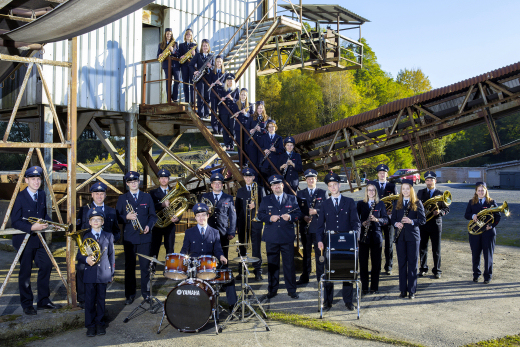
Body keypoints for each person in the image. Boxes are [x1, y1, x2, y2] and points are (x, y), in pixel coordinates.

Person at [11, 166, 62, 315]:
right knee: (25, 273)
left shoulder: (41, 194)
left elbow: (43, 214)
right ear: (26, 180)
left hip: (39, 241)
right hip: (24, 240)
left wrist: (53, 224)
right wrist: (32, 227)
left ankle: (43, 301)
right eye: (32, 179)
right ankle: (27, 304)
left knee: (46, 265)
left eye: (38, 179)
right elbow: (15, 221)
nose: (36, 182)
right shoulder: (20, 197)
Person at [316, 172, 360, 311]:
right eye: (330, 185)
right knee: (329, 272)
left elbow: (355, 222)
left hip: (346, 242)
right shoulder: (324, 204)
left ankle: (348, 301)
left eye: (335, 184)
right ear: (328, 188)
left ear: (339, 185)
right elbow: (319, 225)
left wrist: (355, 237)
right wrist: (319, 241)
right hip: (329, 243)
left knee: (347, 270)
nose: (333, 187)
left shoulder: (349, 202)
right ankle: (328, 302)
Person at [181, 203, 237, 309]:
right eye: (198, 215)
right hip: (194, 268)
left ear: (207, 216)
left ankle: (233, 306)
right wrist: (183, 258)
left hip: (210, 266)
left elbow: (218, 249)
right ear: (195, 217)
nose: (201, 218)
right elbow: (184, 250)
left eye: (203, 215)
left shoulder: (215, 232)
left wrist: (221, 256)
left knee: (229, 276)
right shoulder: (189, 232)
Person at [116, 171, 158, 305]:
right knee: (129, 267)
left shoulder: (147, 197)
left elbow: (153, 216)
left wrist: (149, 226)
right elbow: (117, 217)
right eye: (130, 182)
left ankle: (146, 294)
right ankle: (129, 294)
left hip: (145, 238)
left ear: (138, 182)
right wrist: (126, 217)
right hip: (129, 239)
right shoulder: (123, 198)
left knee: (145, 267)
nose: (133, 184)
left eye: (135, 181)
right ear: (127, 184)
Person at [76, 181, 120, 308]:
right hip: (88, 249)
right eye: (96, 193)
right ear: (92, 195)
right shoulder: (84, 210)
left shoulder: (111, 211)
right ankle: (83, 299)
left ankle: (99, 300)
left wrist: (111, 241)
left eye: (102, 194)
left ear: (105, 195)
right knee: (81, 269)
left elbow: (117, 231)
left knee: (102, 274)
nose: (99, 196)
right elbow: (79, 229)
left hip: (105, 250)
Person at [257, 174, 302, 299]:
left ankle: (291, 290)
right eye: (274, 185)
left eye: (278, 184)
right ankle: (272, 289)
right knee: (272, 265)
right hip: (271, 237)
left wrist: (291, 217)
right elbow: (260, 215)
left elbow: (299, 213)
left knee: (289, 265)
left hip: (286, 237)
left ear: (282, 185)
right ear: (271, 187)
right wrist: (269, 218)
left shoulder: (292, 198)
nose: (277, 186)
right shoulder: (266, 200)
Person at [77, 207, 115, 337]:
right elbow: (79, 256)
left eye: (99, 219)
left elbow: (111, 255)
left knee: (101, 300)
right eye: (93, 220)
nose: (96, 222)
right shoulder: (86, 236)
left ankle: (100, 324)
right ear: (89, 222)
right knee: (89, 301)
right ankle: (90, 326)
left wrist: (112, 273)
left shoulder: (108, 236)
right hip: (90, 273)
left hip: (104, 273)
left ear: (103, 222)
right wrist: (86, 259)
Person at [391, 179, 426, 299]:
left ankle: (412, 291)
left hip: (413, 238)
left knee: (412, 264)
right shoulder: (397, 203)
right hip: (400, 237)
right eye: (403, 188)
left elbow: (423, 220)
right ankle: (402, 290)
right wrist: (396, 224)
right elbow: (393, 219)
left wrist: (411, 221)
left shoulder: (417, 202)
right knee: (401, 264)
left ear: (411, 190)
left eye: (407, 188)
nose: (405, 191)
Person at [296, 169, 328, 285]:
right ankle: (305, 277)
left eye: (313, 178)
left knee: (320, 254)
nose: (311, 180)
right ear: (306, 180)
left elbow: (328, 210)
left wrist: (317, 211)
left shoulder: (322, 193)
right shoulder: (300, 194)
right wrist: (303, 217)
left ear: (316, 179)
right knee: (306, 254)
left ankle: (321, 277)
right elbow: (297, 210)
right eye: (308, 178)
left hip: (319, 229)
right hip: (306, 228)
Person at [464, 182, 501, 284]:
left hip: (488, 233)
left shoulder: (492, 202)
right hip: (475, 233)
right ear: (476, 191)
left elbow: (498, 217)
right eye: (479, 190)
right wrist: (472, 216)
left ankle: (487, 276)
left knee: (488, 255)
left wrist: (492, 226)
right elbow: (466, 215)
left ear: (486, 191)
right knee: (475, 254)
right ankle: (476, 275)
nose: (481, 192)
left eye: (482, 190)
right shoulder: (471, 202)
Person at [357, 181, 388, 295]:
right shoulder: (360, 204)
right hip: (364, 238)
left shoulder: (380, 204)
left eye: (373, 190)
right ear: (366, 192)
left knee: (376, 264)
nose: (371, 192)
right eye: (369, 190)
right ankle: (364, 287)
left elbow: (386, 220)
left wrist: (377, 220)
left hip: (376, 237)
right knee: (363, 264)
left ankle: (374, 287)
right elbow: (355, 220)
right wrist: (362, 223)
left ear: (376, 192)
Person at [417, 171, 449, 279]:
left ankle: (437, 270)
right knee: (422, 248)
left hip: (436, 224)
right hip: (423, 224)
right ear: (425, 181)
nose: (429, 182)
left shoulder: (441, 193)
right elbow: (416, 207)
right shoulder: (420, 193)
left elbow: (446, 209)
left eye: (431, 180)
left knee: (436, 249)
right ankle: (423, 268)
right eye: (427, 180)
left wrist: (440, 212)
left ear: (435, 181)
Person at [234, 168, 264, 280]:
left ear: (253, 178)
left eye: (250, 177)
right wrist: (236, 224)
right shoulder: (240, 191)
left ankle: (258, 271)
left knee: (256, 248)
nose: (247, 178)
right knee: (242, 247)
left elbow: (265, 207)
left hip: (255, 223)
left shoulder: (260, 189)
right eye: (246, 177)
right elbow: (237, 209)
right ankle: (241, 271)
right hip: (243, 223)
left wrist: (256, 206)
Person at [200, 172, 237, 262]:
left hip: (223, 232)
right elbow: (198, 214)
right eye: (215, 183)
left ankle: (223, 274)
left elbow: (233, 216)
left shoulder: (229, 198)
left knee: (223, 255)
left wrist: (231, 231)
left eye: (219, 183)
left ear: (222, 185)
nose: (217, 185)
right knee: (208, 255)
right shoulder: (204, 197)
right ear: (211, 185)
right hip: (207, 230)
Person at [149, 169, 179, 259]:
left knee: (170, 249)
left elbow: (179, 207)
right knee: (154, 248)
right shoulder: (152, 193)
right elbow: (150, 207)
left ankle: (169, 269)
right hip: (157, 225)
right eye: (161, 178)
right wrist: (161, 205)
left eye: (165, 178)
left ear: (168, 179)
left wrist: (177, 218)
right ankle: (152, 269)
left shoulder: (175, 192)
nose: (163, 180)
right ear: (158, 179)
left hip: (169, 224)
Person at [375, 164, 398, 275]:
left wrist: (392, 211)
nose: (382, 174)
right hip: (377, 219)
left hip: (388, 219)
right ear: (378, 174)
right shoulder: (373, 185)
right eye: (380, 173)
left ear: (387, 174)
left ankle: (388, 266)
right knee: (377, 243)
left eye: (384, 173)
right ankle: (377, 266)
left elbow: (397, 202)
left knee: (389, 244)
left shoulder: (392, 186)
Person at [189, 38, 213, 119]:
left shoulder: (211, 56)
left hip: (208, 78)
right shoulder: (198, 55)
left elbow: (215, 69)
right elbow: (190, 65)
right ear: (201, 47)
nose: (205, 47)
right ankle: (200, 114)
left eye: (206, 46)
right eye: (203, 46)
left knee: (207, 96)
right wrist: (194, 72)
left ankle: (206, 114)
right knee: (200, 96)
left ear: (208, 47)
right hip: (200, 79)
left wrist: (211, 66)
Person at [157, 28, 180, 102]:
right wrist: (160, 55)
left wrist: (173, 50)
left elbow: (178, 54)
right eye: (167, 34)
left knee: (177, 80)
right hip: (166, 65)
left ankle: (175, 98)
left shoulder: (175, 44)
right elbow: (157, 56)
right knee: (168, 82)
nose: (169, 35)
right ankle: (169, 98)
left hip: (175, 65)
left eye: (170, 34)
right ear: (165, 35)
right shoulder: (161, 45)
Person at [260, 119, 283, 188]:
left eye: (272, 126)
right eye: (269, 127)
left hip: (275, 163)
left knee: (275, 181)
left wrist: (275, 150)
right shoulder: (263, 137)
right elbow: (260, 147)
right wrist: (264, 150)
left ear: (275, 128)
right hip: (265, 163)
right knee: (266, 182)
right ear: (267, 128)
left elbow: (281, 150)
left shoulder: (279, 138)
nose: (271, 128)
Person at [244, 100, 268, 170]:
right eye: (258, 108)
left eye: (261, 108)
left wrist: (261, 130)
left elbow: (268, 131)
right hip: (252, 143)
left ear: (263, 108)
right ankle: (254, 179)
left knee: (261, 162)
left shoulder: (267, 118)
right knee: (253, 162)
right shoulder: (251, 117)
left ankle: (260, 180)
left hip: (262, 144)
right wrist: (250, 131)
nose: (259, 110)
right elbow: (246, 128)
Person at [219, 73, 239, 151]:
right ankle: (227, 145)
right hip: (224, 112)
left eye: (231, 81)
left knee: (232, 129)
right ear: (226, 81)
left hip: (232, 112)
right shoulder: (222, 89)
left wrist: (231, 98)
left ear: (233, 82)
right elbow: (219, 99)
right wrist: (221, 99)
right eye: (228, 81)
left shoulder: (236, 89)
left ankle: (232, 145)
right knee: (225, 128)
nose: (229, 82)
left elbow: (238, 101)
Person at [178, 28, 198, 103]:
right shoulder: (181, 45)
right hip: (184, 66)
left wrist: (194, 54)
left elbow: (198, 56)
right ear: (185, 35)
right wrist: (181, 56)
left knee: (192, 84)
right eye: (187, 34)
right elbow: (179, 55)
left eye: (190, 34)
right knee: (185, 83)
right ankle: (186, 101)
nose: (188, 35)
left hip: (192, 67)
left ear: (192, 36)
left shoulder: (194, 45)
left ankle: (192, 101)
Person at [208, 55, 225, 134]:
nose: (218, 63)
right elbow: (209, 81)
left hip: (221, 95)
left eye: (220, 62)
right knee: (213, 111)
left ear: (222, 63)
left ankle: (220, 129)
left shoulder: (225, 73)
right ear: (215, 62)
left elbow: (227, 84)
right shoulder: (212, 72)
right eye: (217, 61)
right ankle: (215, 129)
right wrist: (211, 84)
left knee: (221, 112)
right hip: (213, 95)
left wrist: (221, 83)